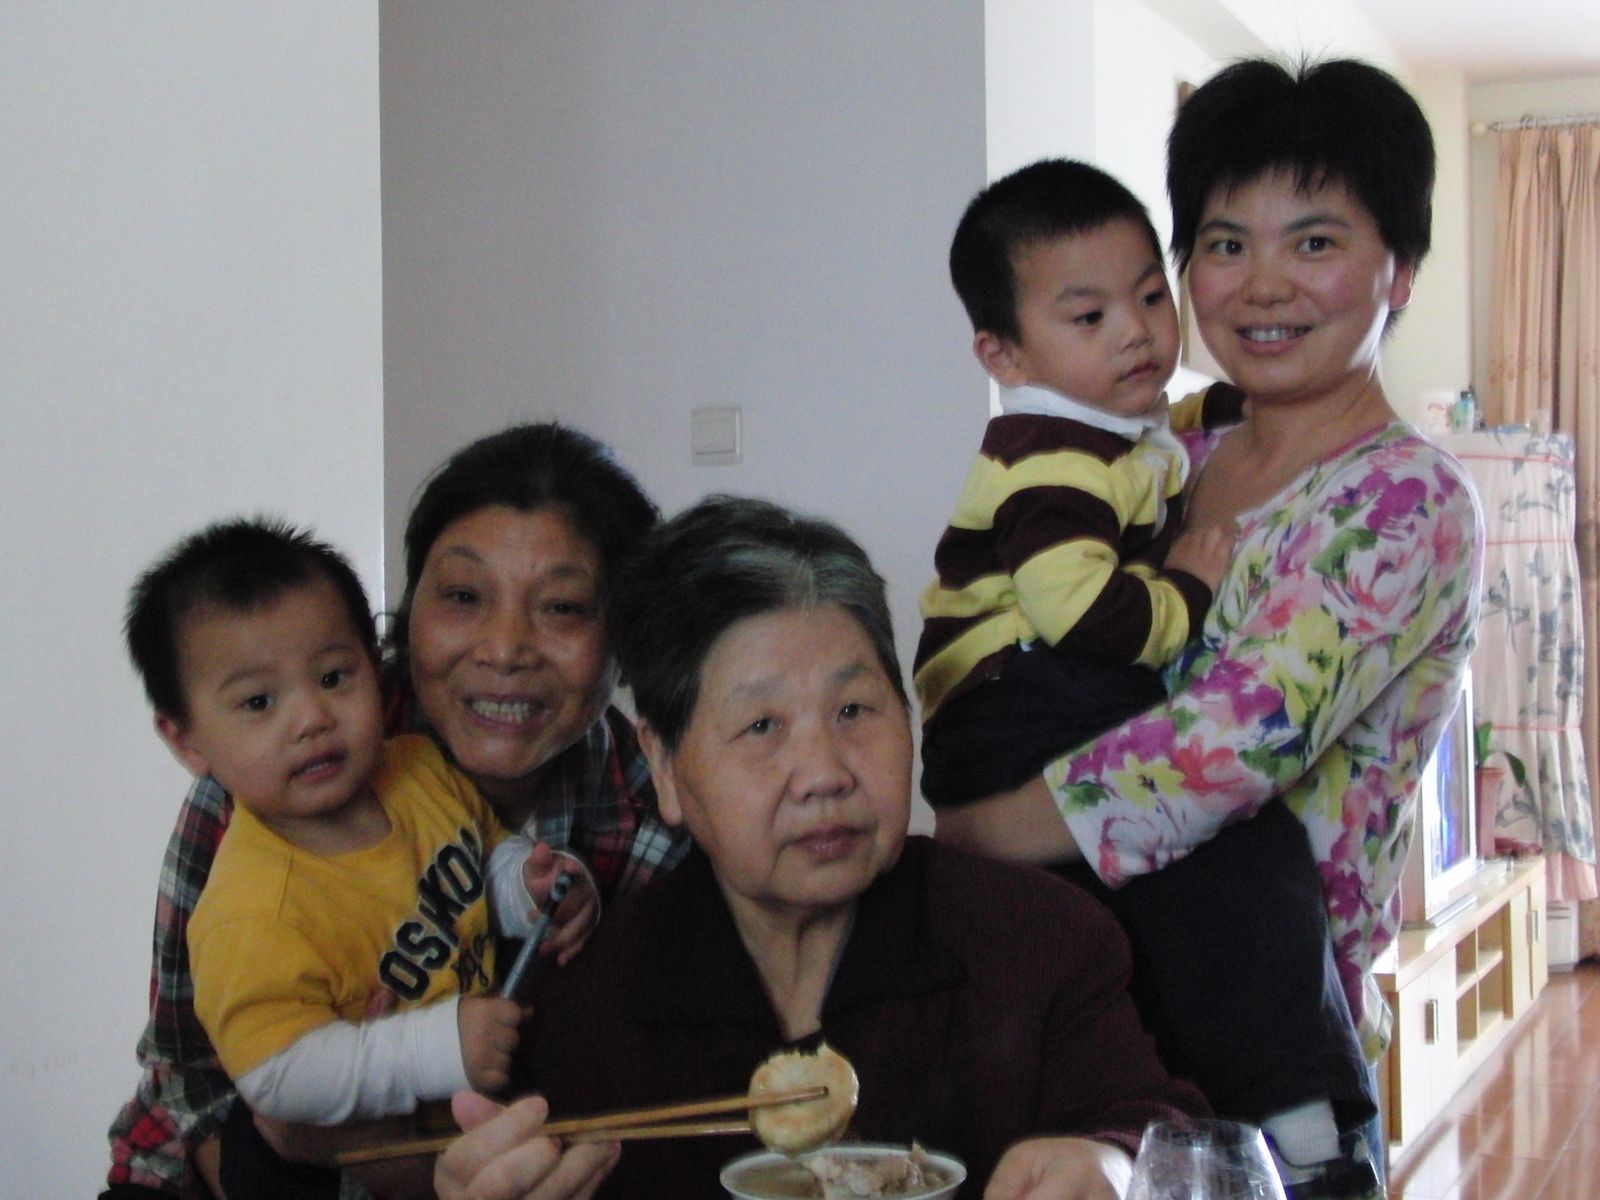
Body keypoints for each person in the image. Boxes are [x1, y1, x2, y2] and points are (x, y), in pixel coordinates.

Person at [937, 58, 1483, 1199]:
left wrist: (969, 838)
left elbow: (1220, 753)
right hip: (1097, 1041)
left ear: (1400, 270)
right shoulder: (1170, 448)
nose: (1262, 285)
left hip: (1261, 1071)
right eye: (1227, 244)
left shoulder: (1403, 500)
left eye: (1315, 242)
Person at [441, 495, 1210, 1200]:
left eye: (853, 710)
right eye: (762, 726)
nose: (824, 774)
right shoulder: (593, 1004)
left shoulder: (1040, 941)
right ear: (665, 765)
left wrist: (1113, 1164)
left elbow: (1158, 1126)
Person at [102, 424, 691, 1200]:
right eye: (463, 597)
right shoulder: (277, 782)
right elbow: (188, 1079)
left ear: (623, 645)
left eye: (563, 607)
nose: (504, 649)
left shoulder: (653, 814)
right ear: (409, 610)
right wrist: (311, 1140)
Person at [126, 521, 543, 1152]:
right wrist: (435, 1050)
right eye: (259, 702)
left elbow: (486, 854)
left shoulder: (418, 768)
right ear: (187, 741)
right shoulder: (251, 913)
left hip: (478, 1123)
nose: (312, 719)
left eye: (332, 678)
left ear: (374, 667)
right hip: (357, 1163)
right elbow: (277, 1075)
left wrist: (529, 885)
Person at [915, 157, 1240, 808]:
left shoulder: (1098, 426)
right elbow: (1085, 613)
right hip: (1002, 697)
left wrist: (1226, 405)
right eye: (1090, 317)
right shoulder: (1048, 467)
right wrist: (1186, 590)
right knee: (1194, 764)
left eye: (1151, 297)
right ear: (1005, 356)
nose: (1136, 331)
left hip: (1035, 678)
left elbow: (1155, 430)